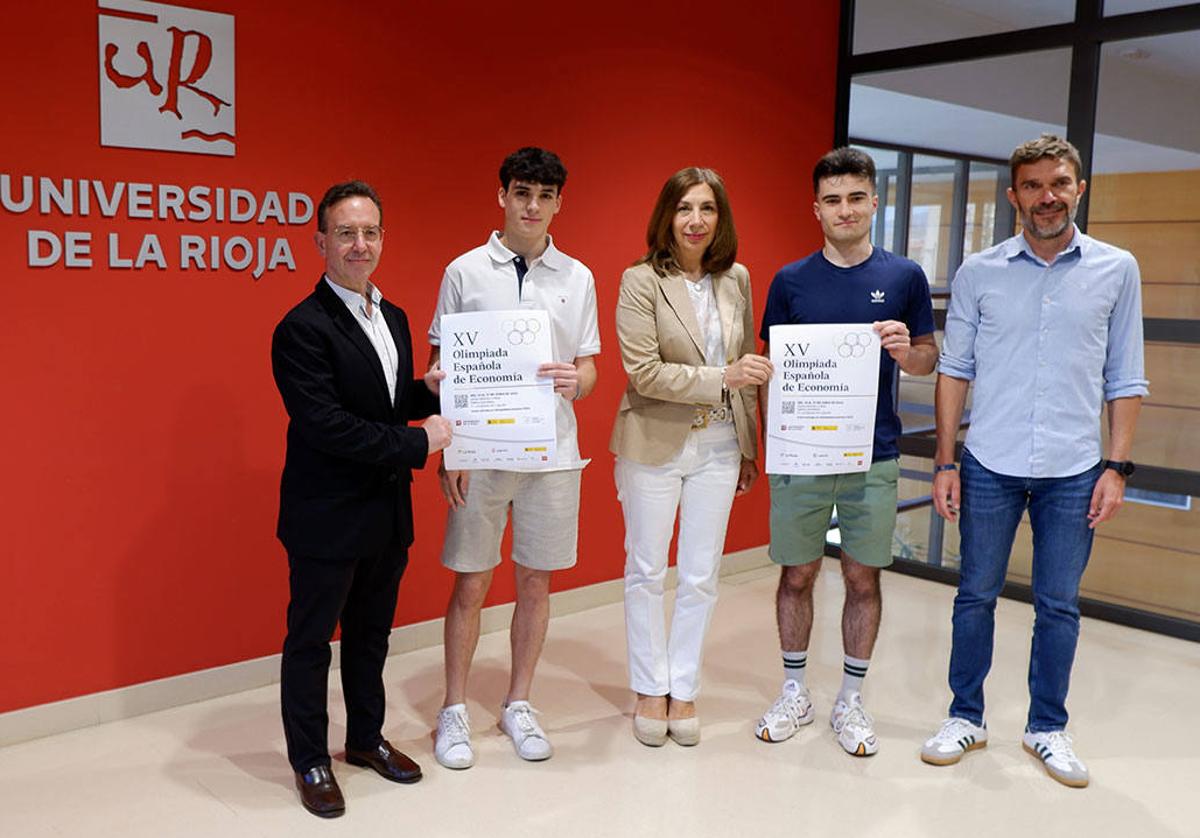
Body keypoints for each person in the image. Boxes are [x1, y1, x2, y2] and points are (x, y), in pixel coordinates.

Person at [920, 134, 1147, 788]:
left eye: (1059, 183)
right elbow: (954, 371)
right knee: (974, 597)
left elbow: (1125, 375)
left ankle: (1047, 726)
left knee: (1059, 605)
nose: (1047, 197)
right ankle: (966, 715)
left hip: (1075, 470)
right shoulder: (979, 272)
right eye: (1033, 186)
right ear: (1014, 194)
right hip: (989, 461)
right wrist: (945, 460)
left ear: (1080, 189)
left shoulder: (1117, 269)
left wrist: (1117, 467)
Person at [271, 181, 453, 818]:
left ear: (382, 238)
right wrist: (418, 442)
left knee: (372, 637)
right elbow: (329, 426)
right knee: (311, 641)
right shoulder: (300, 328)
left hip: (384, 514)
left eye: (370, 231)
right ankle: (310, 760)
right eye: (345, 233)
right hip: (327, 516)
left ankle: (365, 739)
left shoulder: (394, 316)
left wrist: (426, 393)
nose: (359, 244)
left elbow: (382, 402)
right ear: (320, 242)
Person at [754, 147, 937, 756]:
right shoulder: (790, 281)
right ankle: (795, 690)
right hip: (802, 456)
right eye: (833, 200)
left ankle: (851, 700)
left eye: (856, 197)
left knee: (863, 578)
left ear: (874, 202)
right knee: (797, 573)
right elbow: (771, 375)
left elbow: (928, 362)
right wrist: (772, 448)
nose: (845, 209)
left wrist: (905, 350)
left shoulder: (903, 278)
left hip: (874, 455)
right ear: (816, 209)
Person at [427, 147, 600, 768]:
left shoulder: (577, 277)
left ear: (559, 203)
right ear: (501, 195)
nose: (533, 206)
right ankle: (452, 708)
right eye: (523, 192)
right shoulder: (464, 272)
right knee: (471, 581)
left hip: (552, 453)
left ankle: (518, 701)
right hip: (479, 452)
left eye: (546, 196)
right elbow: (437, 369)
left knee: (536, 580)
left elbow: (589, 367)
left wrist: (576, 382)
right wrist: (447, 421)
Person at [611, 167, 769, 747]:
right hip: (653, 441)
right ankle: (650, 686)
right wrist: (720, 377)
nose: (696, 220)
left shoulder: (737, 280)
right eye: (684, 208)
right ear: (666, 217)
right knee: (647, 571)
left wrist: (751, 444)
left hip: (722, 445)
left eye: (707, 209)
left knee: (701, 575)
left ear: (720, 218)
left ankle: (684, 686)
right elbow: (644, 372)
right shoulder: (640, 281)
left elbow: (748, 370)